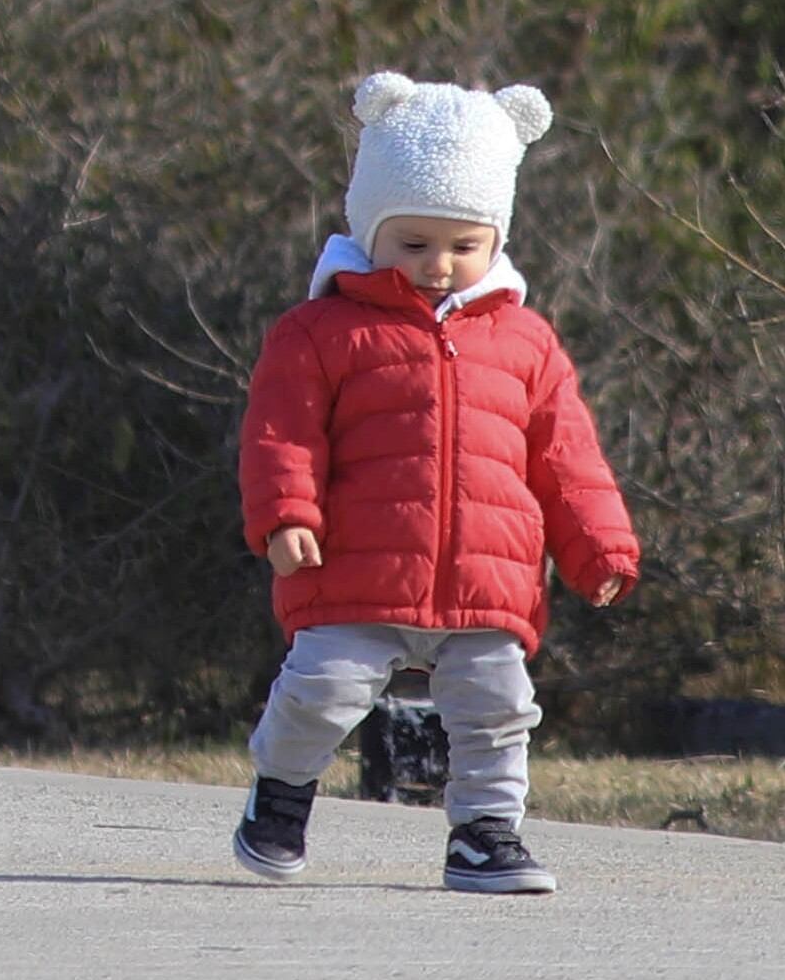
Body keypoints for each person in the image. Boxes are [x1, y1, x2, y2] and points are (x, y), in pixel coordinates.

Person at [229, 73, 640, 894]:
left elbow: (567, 454)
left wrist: (598, 544)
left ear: (496, 239)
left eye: (462, 245)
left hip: (489, 575)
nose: (437, 266)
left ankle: (485, 834)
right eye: (412, 244)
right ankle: (279, 794)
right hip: (353, 568)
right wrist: (282, 515)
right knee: (320, 693)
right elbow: (280, 433)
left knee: (495, 710)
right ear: (368, 228)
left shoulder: (523, 340)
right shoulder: (320, 331)